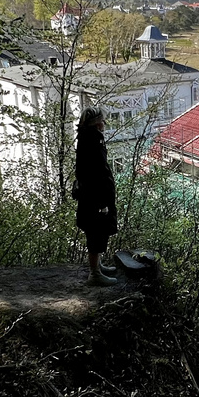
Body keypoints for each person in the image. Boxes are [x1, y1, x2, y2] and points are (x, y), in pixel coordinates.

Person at [73, 107, 120, 286]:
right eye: (103, 121)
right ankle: (95, 273)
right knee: (96, 231)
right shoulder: (93, 141)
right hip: (95, 198)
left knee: (97, 231)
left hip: (91, 196)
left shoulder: (87, 138)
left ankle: (97, 266)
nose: (104, 124)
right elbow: (96, 174)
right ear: (97, 123)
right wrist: (102, 201)